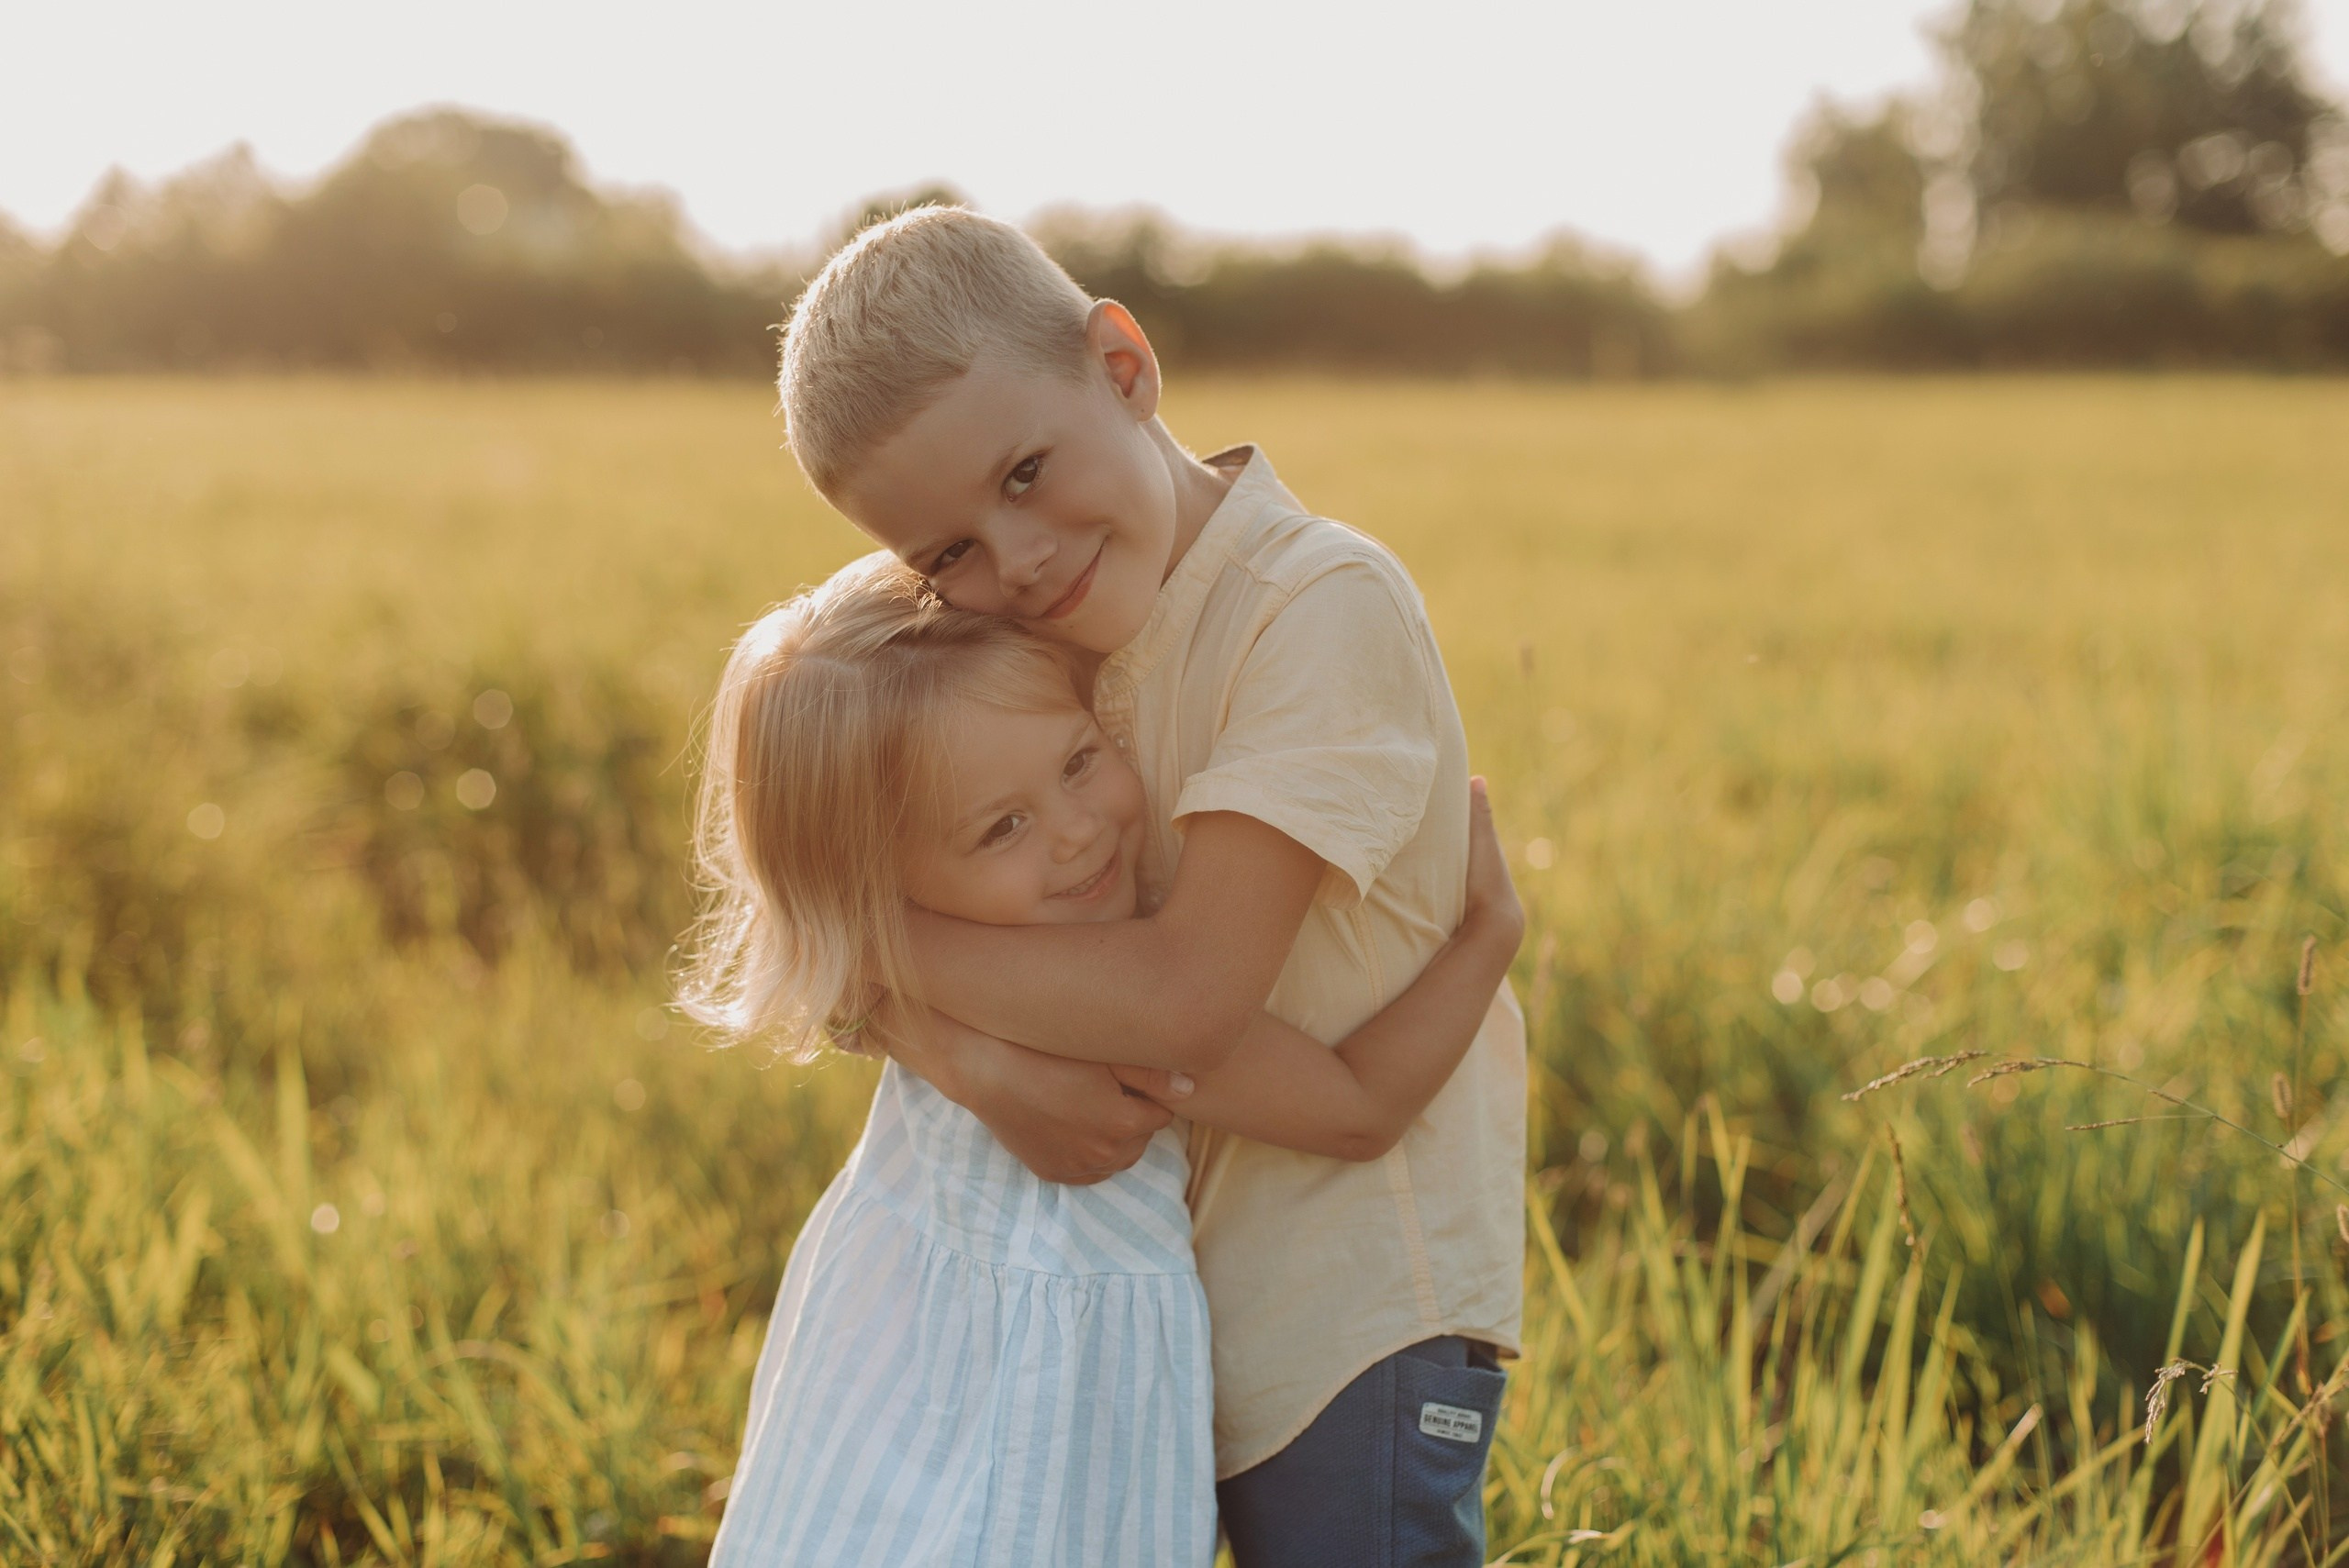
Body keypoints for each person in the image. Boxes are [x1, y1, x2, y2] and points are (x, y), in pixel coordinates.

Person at [778, 206, 1530, 1565]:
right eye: (942, 551)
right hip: (1151, 1295)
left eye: (1024, 473)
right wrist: (960, 1046)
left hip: (1348, 1309)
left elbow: (1181, 1000)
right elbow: (810, 760)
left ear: (1123, 366)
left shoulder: (1316, 604)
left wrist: (870, 951)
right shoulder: (1027, 633)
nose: (1011, 562)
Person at [685, 558, 1523, 1566]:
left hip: (884, 1410)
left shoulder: (917, 977)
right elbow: (1352, 1108)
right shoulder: (1110, 1008)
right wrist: (1486, 938)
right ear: (888, 885)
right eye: (1002, 827)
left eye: (1081, 759)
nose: (1077, 831)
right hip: (1046, 1429)